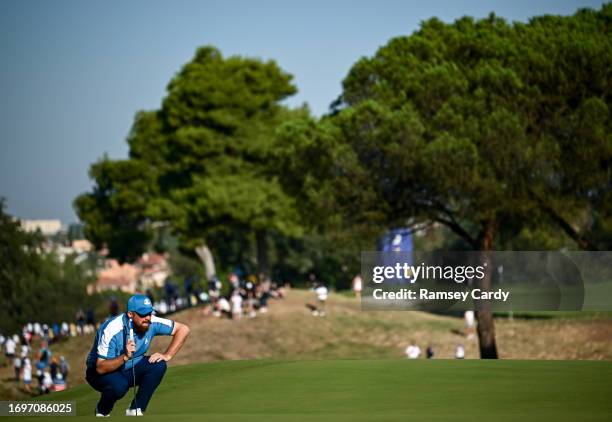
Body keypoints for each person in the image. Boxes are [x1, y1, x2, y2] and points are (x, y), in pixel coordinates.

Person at [85, 294, 190, 416]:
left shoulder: (151, 321)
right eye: (143, 314)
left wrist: (167, 355)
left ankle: (135, 409)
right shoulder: (112, 328)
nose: (148, 318)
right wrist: (125, 356)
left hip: (129, 367)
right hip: (100, 373)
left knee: (159, 365)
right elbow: (100, 367)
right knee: (119, 386)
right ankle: (102, 411)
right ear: (130, 314)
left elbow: (183, 329)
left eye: (150, 313)